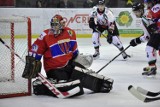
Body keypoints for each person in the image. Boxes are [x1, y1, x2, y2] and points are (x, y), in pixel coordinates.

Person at [22, 14, 113, 98]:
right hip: (54, 68)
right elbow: (35, 50)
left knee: (82, 75)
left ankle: (99, 83)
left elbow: (74, 52)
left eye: (56, 25)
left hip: (68, 64)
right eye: (52, 25)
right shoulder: (45, 36)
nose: (54, 27)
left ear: (62, 24)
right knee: (68, 82)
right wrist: (32, 62)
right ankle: (41, 85)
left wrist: (78, 64)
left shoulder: (70, 32)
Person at [129, 1, 160, 76]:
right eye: (134, 12)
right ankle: (152, 66)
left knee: (149, 48)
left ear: (140, 10)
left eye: (136, 12)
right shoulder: (143, 18)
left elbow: (153, 26)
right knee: (151, 49)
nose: (135, 14)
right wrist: (136, 41)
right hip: (156, 34)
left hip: (158, 33)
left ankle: (152, 67)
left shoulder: (148, 13)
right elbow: (147, 36)